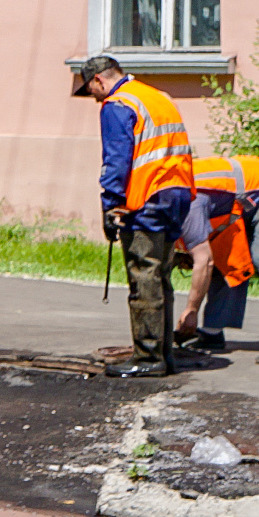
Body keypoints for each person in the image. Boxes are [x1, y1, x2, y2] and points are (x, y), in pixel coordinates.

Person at [76, 56, 194, 378]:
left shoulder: (117, 103)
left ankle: (148, 358)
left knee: (143, 275)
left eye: (91, 91)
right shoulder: (156, 97)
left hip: (148, 197)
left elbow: (116, 158)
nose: (95, 98)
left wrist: (110, 205)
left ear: (99, 80)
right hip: (178, 194)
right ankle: (164, 355)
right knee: (161, 275)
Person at [176, 155, 259, 365]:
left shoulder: (191, 201)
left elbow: (204, 261)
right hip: (244, 198)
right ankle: (212, 333)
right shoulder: (174, 192)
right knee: (225, 255)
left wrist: (191, 310)